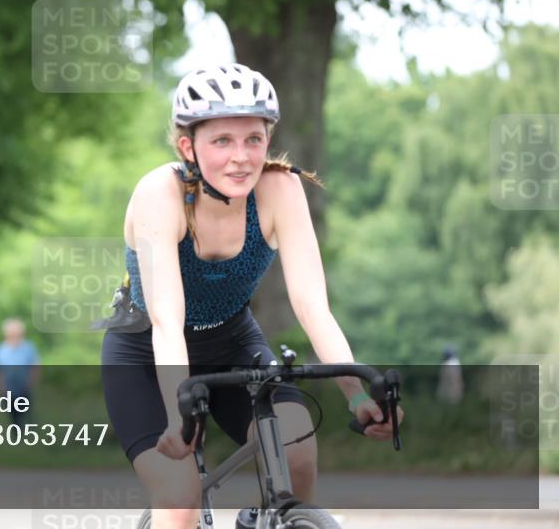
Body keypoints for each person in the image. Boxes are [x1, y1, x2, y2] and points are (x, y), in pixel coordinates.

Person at [100, 64, 405, 529]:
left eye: (253, 139)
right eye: (222, 141)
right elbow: (166, 322)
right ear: (189, 146)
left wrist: (355, 394)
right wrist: (176, 417)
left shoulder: (280, 189)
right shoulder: (158, 194)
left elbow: (311, 305)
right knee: (179, 500)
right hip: (145, 351)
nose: (241, 157)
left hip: (232, 340)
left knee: (297, 449)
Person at [0, 318, 40, 427]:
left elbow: (35, 366)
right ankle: (17, 435)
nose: (14, 334)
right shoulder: (0, 349)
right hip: (8, 388)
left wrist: (31, 382)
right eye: (11, 332)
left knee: (25, 412)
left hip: (24, 386)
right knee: (12, 414)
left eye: (16, 332)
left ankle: (28, 433)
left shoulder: (28, 347)